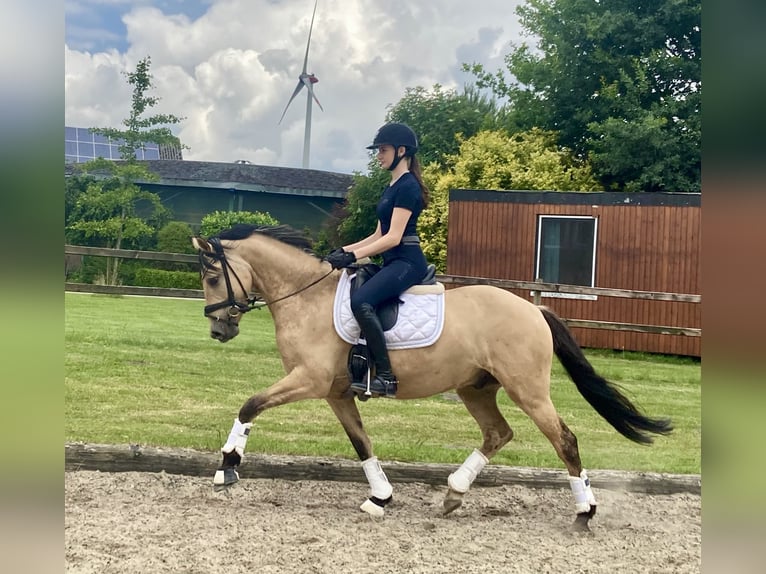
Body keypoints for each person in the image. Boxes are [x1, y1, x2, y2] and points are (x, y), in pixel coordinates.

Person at [324, 122, 430, 398]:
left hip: (407, 263)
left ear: (401, 151)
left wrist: (355, 255)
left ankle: (385, 377)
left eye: (383, 150)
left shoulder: (408, 187)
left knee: (361, 301)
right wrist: (343, 251)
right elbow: (378, 233)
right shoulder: (392, 185)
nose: (379, 155)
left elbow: (394, 237)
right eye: (378, 150)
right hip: (392, 262)